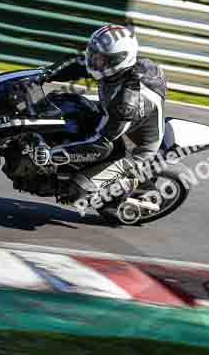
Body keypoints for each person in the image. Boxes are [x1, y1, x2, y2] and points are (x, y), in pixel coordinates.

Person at [35, 24, 167, 217]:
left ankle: (130, 182)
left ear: (118, 60)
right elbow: (80, 65)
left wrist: (54, 153)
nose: (94, 61)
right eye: (94, 55)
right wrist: (45, 74)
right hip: (113, 119)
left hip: (132, 148)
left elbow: (101, 143)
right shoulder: (116, 69)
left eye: (101, 59)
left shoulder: (127, 103)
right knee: (63, 102)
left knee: (75, 192)